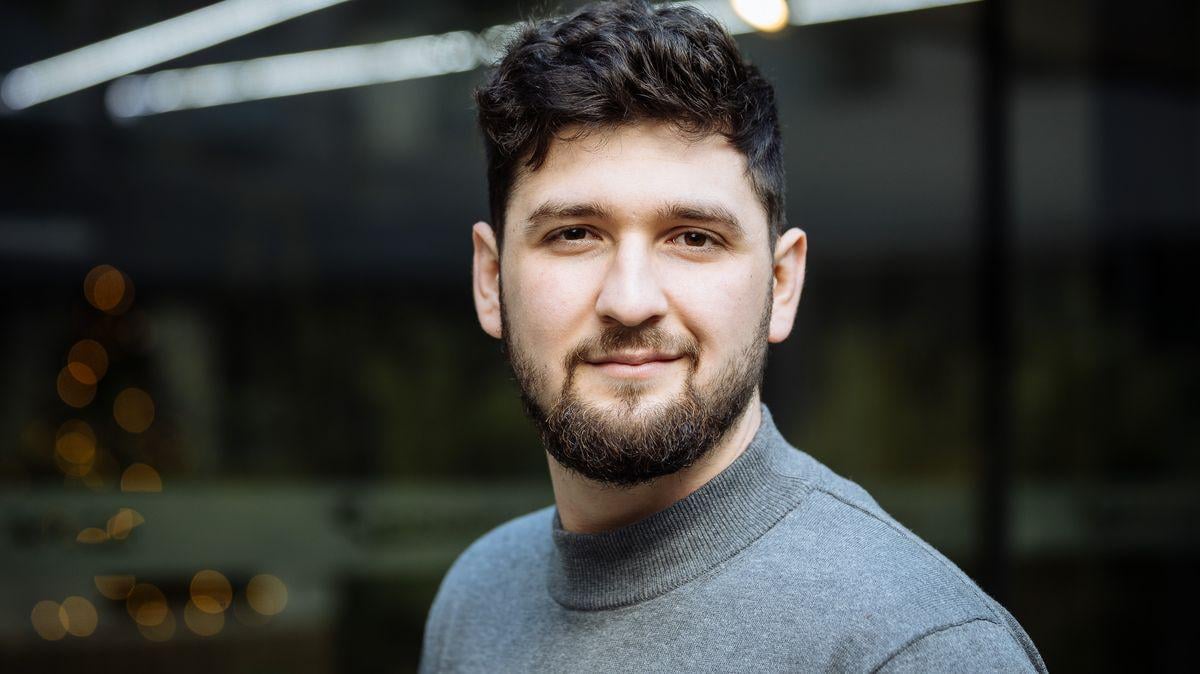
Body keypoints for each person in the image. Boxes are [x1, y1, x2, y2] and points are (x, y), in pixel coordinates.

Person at [420, 1, 1045, 671]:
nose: (630, 301)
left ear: (783, 284)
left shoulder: (920, 648)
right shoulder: (478, 599)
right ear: (491, 280)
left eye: (694, 238)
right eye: (574, 234)